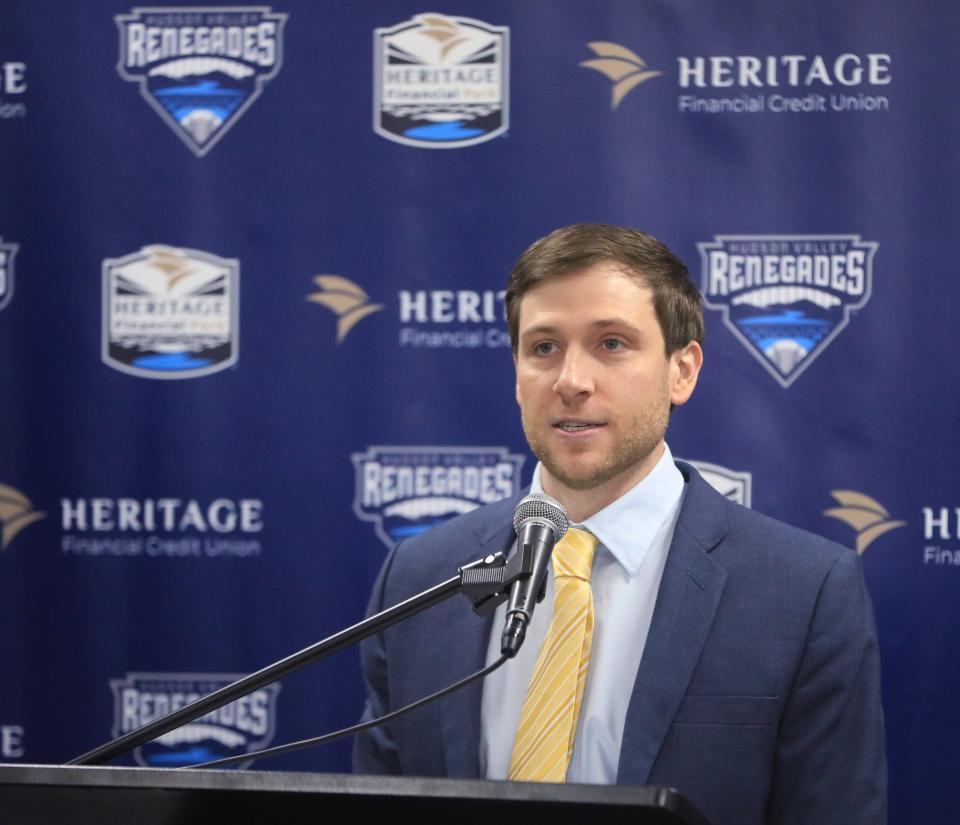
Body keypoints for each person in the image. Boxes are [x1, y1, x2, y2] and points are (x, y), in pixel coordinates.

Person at [353, 224, 887, 825]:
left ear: (681, 371)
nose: (571, 381)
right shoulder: (421, 576)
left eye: (611, 344)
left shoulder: (803, 590)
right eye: (544, 347)